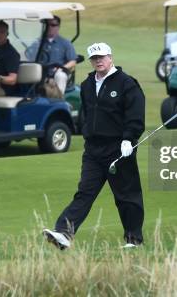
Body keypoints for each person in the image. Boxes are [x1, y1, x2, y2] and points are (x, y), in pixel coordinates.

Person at [43, 42, 146, 250]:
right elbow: (89, 116)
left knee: (126, 196)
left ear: (110, 57)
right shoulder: (88, 85)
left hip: (119, 149)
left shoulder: (127, 84)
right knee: (84, 192)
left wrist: (129, 138)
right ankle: (64, 233)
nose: (98, 61)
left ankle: (134, 240)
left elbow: (135, 115)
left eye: (102, 56)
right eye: (94, 58)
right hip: (93, 150)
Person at [25, 15, 77, 97]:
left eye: (53, 25)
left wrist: (61, 68)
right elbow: (29, 56)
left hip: (57, 72)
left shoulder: (65, 43)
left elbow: (73, 61)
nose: (49, 27)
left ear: (58, 27)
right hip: (41, 72)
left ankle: (59, 99)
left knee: (61, 76)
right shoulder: (38, 42)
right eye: (47, 25)